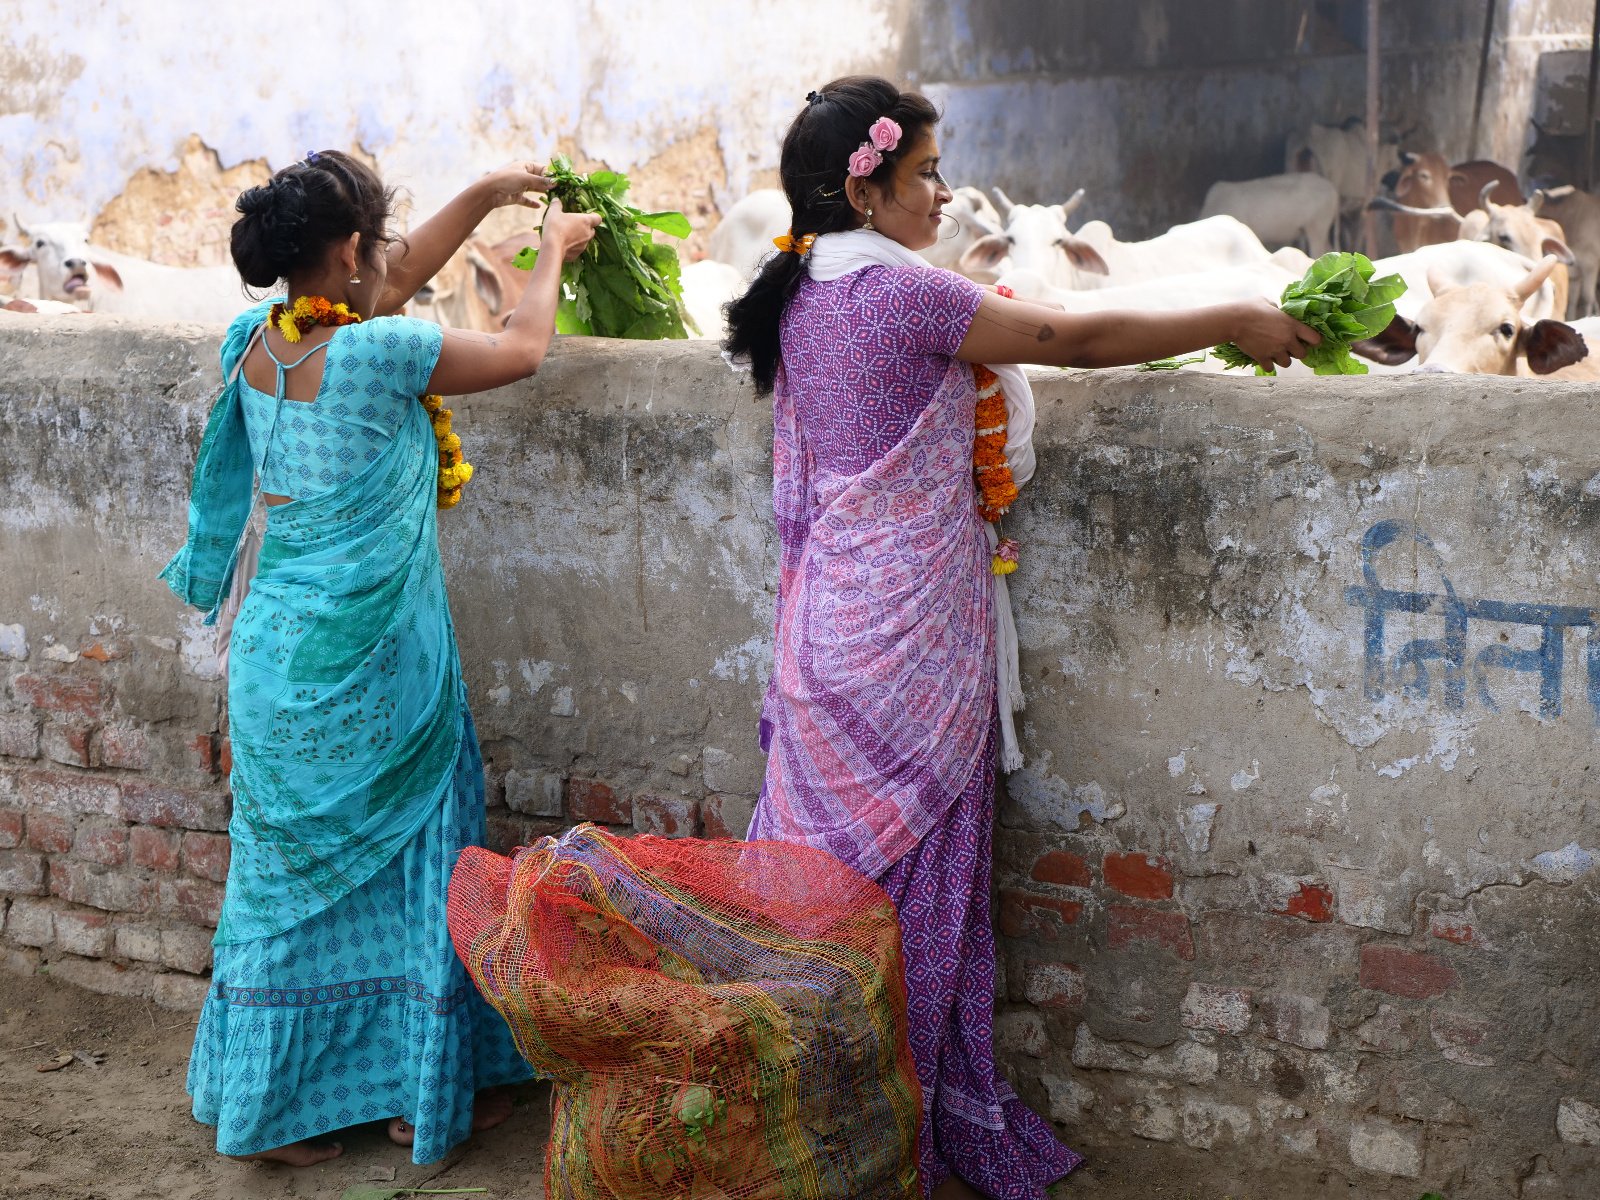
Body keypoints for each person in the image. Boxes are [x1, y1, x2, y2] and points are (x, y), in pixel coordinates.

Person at [724, 78, 1318, 1200]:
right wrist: (1234, 314)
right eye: (926, 176)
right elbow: (1067, 335)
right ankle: (887, 1139)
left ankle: (813, 1126)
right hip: (908, 642)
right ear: (866, 183)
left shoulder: (802, 292)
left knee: (827, 898)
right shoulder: (899, 295)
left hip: (827, 638)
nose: (943, 195)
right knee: (912, 895)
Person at [161, 149, 600, 1166]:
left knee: (282, 885)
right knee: (419, 862)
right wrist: (550, 254)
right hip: (376, 670)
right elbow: (523, 349)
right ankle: (416, 1091)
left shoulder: (257, 344)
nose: (388, 263)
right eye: (377, 243)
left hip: (276, 662)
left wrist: (485, 192)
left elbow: (391, 278)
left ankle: (271, 1107)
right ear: (351, 251)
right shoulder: (378, 355)